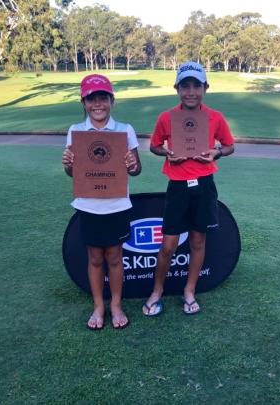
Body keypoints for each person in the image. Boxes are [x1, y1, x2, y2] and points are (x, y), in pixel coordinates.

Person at [142, 61, 234, 316]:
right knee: (168, 245)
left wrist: (216, 153)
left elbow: (228, 146)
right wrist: (167, 153)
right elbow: (154, 146)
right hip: (178, 186)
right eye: (185, 86)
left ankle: (189, 291)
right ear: (177, 88)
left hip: (204, 186)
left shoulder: (215, 117)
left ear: (205, 87)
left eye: (196, 86)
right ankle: (157, 291)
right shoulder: (166, 117)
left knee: (197, 240)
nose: (190, 91)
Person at [62, 74, 141, 329]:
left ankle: (115, 304)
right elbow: (74, 174)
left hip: (117, 204)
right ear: (83, 102)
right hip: (89, 205)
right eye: (91, 99)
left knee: (115, 257)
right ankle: (98, 306)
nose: (98, 104)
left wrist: (132, 164)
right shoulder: (76, 131)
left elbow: (136, 169)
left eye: (103, 98)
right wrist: (68, 165)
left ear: (112, 101)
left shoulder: (125, 130)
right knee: (95, 257)